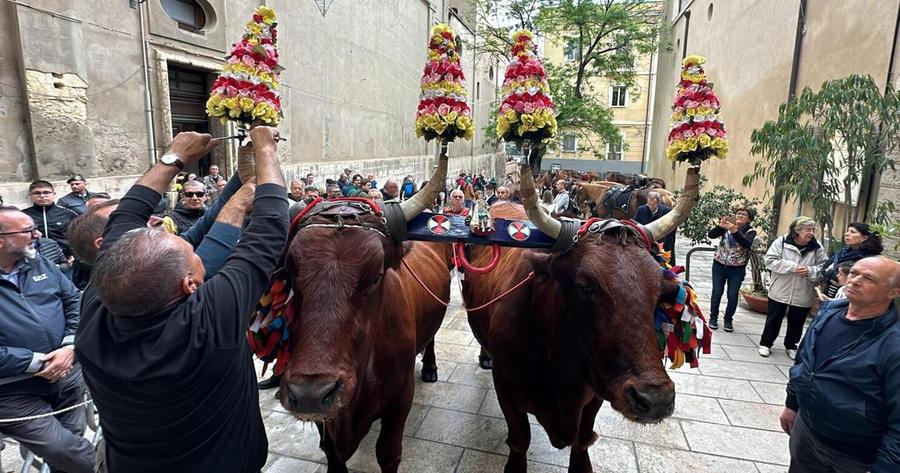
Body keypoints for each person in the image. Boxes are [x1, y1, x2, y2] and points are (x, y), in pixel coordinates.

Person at [76, 128, 287, 473]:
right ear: (190, 284)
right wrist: (266, 149)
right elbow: (271, 229)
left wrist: (173, 157)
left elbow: (124, 217)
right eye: (192, 253)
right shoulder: (208, 327)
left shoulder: (98, 307)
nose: (197, 249)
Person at [780, 256, 900, 473]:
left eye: (869, 278)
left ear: (893, 292)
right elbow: (803, 361)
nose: (855, 280)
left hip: (853, 455)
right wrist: (792, 403)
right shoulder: (829, 312)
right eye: (854, 273)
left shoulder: (893, 343)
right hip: (806, 432)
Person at [0, 206, 95, 473]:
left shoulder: (38, 262)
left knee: (68, 459)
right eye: (28, 230)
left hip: (67, 376)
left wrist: (69, 345)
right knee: (68, 450)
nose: (38, 234)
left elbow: (73, 301)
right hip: (13, 391)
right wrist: (36, 362)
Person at [758, 216, 828, 359]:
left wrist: (809, 270)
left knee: (797, 321)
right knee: (773, 319)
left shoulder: (817, 247)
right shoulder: (782, 241)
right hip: (780, 288)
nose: (811, 233)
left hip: (803, 290)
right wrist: (793, 267)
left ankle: (791, 345)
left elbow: (824, 267)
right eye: (808, 230)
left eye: (813, 230)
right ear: (797, 230)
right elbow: (770, 260)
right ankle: (766, 343)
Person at [706, 207, 757, 332]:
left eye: (744, 214)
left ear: (749, 219)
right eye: (738, 213)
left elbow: (746, 243)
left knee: (732, 295)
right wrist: (720, 227)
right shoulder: (727, 226)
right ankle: (713, 317)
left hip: (736, 269)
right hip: (719, 265)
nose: (740, 215)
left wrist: (734, 231)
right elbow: (711, 235)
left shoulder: (750, 231)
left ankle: (728, 320)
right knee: (717, 292)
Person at [820, 222, 883, 298]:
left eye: (852, 232)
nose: (847, 234)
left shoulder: (867, 259)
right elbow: (825, 268)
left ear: (864, 238)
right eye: (848, 231)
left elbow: (851, 278)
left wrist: (831, 273)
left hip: (847, 297)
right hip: (828, 292)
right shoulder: (843, 252)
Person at [22, 180, 78, 259]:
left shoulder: (68, 214)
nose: (42, 196)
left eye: (46, 192)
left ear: (53, 194)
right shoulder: (22, 216)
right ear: (30, 195)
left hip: (65, 258)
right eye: (37, 193)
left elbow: (77, 238)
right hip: (34, 258)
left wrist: (74, 256)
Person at [634, 191, 676, 265]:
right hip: (646, 243)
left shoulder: (667, 211)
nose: (650, 207)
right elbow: (635, 226)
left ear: (658, 203)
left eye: (653, 205)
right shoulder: (641, 210)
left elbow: (671, 233)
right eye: (649, 204)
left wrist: (669, 248)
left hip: (662, 245)